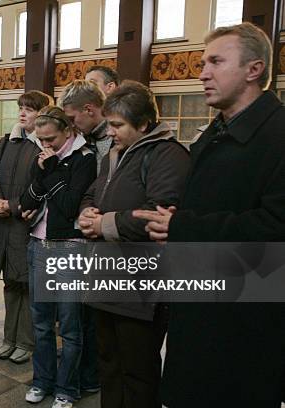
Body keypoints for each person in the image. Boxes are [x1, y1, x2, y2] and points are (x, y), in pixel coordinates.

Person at [134, 22, 285, 408]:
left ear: (254, 70)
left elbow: (276, 228)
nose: (202, 73)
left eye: (216, 61)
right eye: (203, 62)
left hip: (247, 323)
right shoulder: (212, 134)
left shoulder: (278, 136)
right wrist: (177, 216)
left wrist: (182, 226)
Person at [78, 80, 190, 408]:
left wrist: (104, 224)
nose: (110, 132)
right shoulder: (114, 154)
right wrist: (86, 211)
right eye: (109, 124)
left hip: (141, 284)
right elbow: (93, 191)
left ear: (143, 124)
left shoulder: (168, 155)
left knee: (138, 371)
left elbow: (158, 214)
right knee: (109, 364)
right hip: (106, 275)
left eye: (118, 125)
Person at [20, 106, 96, 408]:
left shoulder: (85, 159)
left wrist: (49, 172)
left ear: (68, 131)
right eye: (40, 140)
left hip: (70, 248)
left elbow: (67, 205)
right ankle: (42, 381)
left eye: (51, 139)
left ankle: (66, 389)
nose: (45, 146)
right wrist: (43, 175)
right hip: (39, 245)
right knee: (40, 325)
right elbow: (27, 200)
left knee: (70, 326)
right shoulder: (44, 157)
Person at [0, 90, 52, 364]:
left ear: (43, 114)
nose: (22, 113)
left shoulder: (45, 145)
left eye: (30, 109)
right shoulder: (7, 141)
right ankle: (8, 338)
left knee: (28, 285)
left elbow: (42, 186)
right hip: (4, 223)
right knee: (10, 283)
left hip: (26, 222)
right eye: (21, 107)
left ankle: (25, 340)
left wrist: (11, 205)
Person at [60, 80, 111, 174]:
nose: (71, 125)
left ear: (88, 109)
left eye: (72, 118)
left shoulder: (118, 138)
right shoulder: (82, 140)